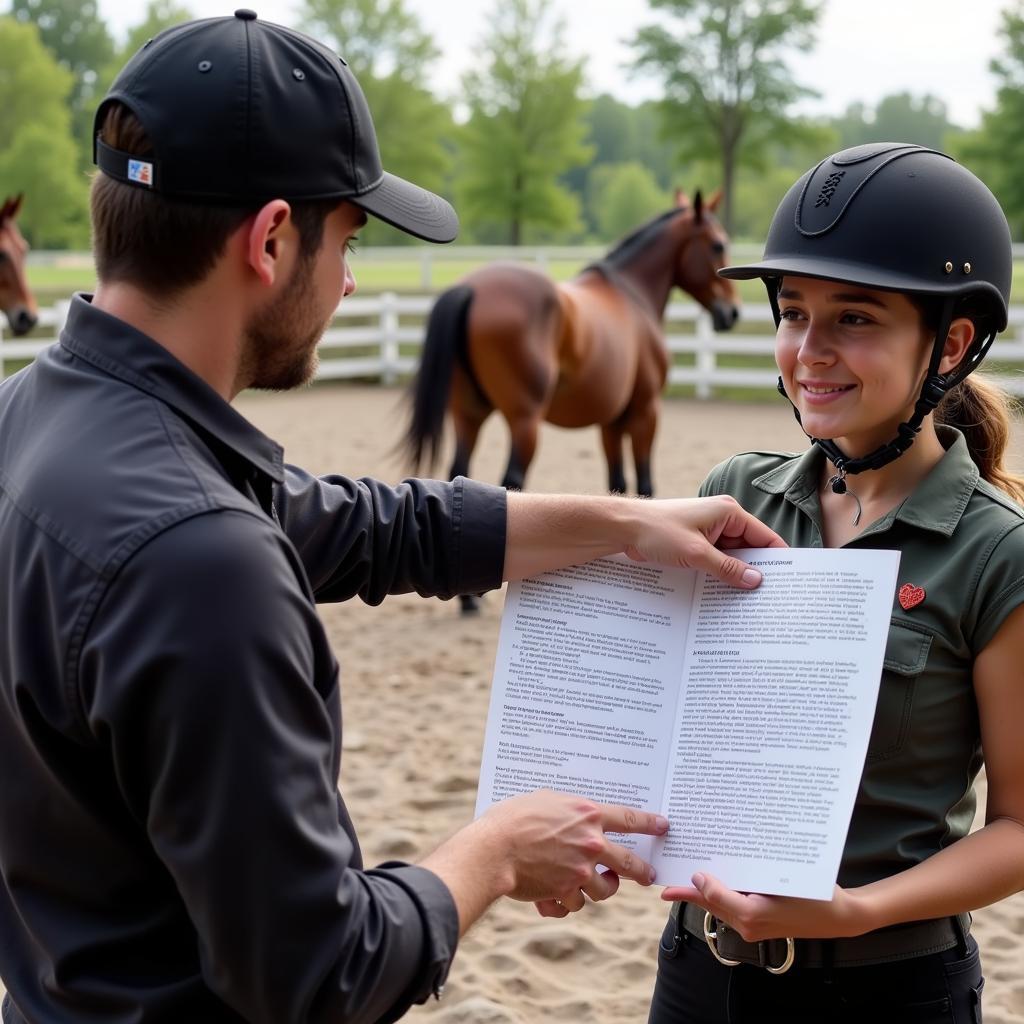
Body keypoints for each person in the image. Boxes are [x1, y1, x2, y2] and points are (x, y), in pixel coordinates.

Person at [0, 12, 786, 1024]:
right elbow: (320, 972)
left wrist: (626, 523)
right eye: (351, 240)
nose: (352, 279)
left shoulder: (40, 423)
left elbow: (375, 525)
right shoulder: (201, 558)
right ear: (272, 240)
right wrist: (495, 852)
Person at [647, 142, 1024, 1023]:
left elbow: (1018, 829)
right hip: (699, 970)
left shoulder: (997, 552)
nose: (809, 351)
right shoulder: (732, 495)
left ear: (952, 342)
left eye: (854, 319)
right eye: (792, 313)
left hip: (889, 990)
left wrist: (858, 908)